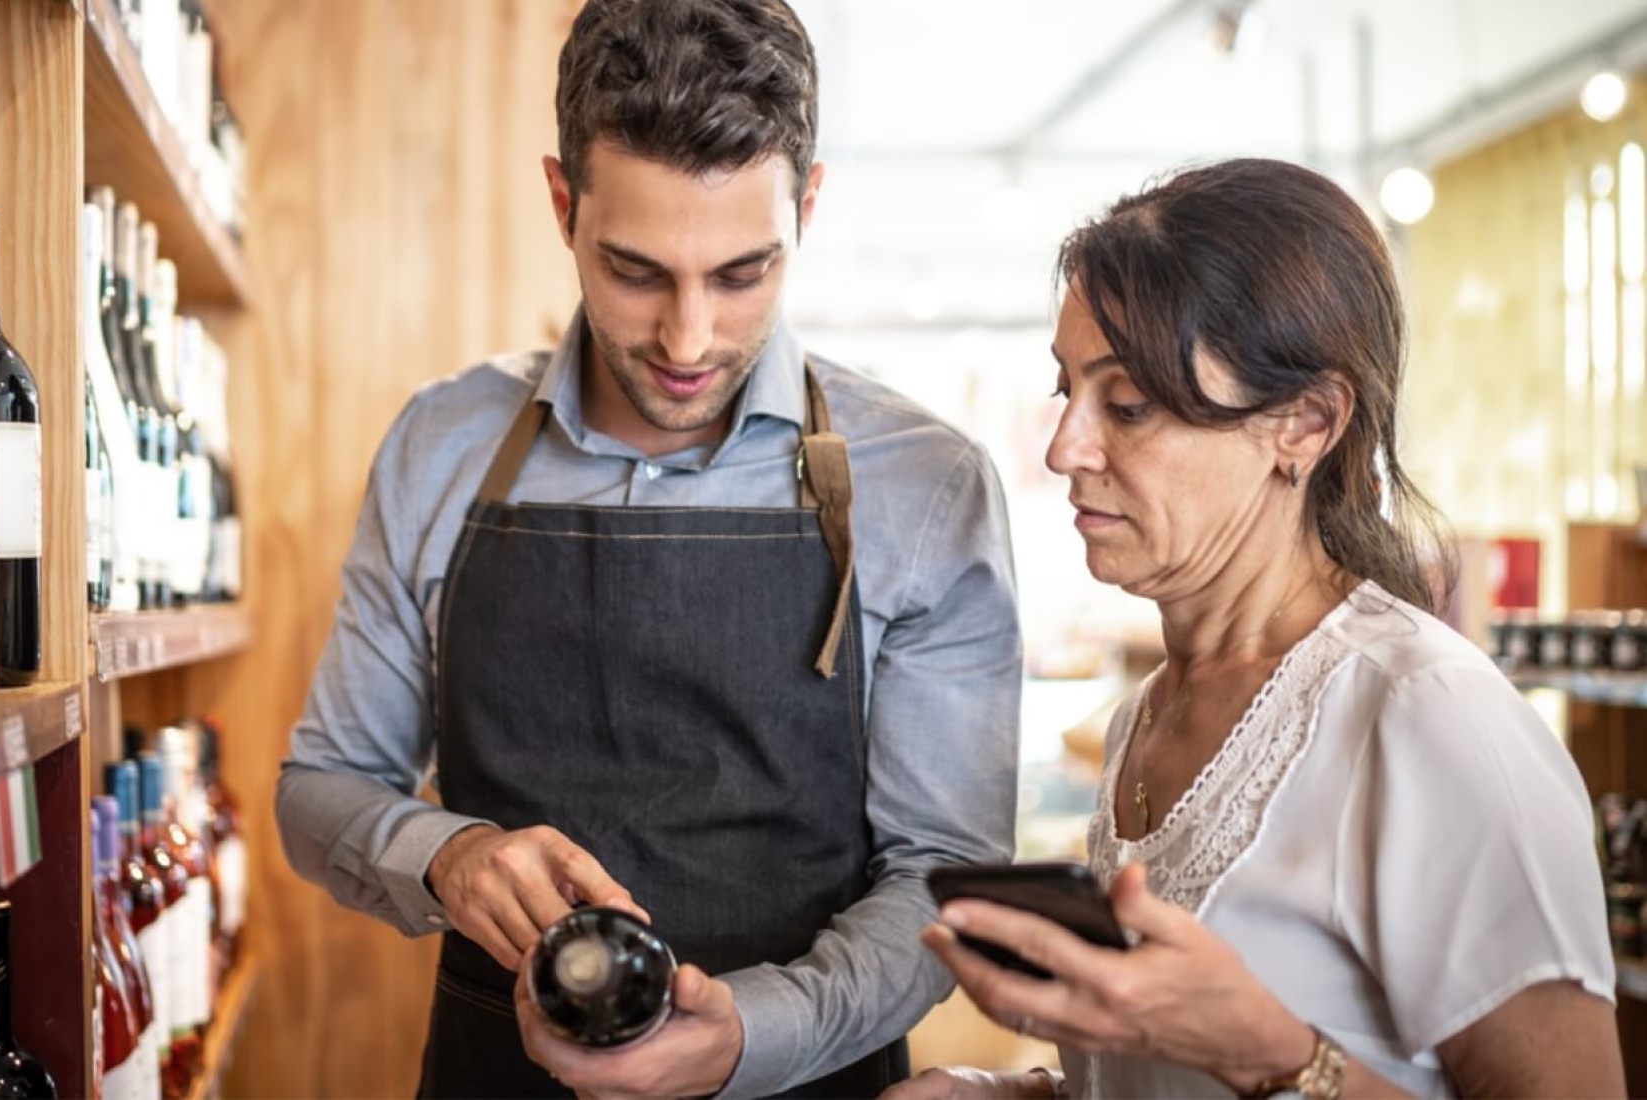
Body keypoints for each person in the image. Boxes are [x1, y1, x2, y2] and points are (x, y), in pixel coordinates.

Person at [275, 1, 1023, 1096]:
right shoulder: (442, 443)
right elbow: (321, 787)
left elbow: (939, 879)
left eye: (740, 273)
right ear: (561, 202)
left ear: (805, 207)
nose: (687, 339)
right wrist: (447, 855)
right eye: (635, 270)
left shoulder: (925, 483)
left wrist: (747, 1036)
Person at [890, 158, 1623, 1099]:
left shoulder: (1427, 717)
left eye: (1128, 404)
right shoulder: (1142, 721)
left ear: (1307, 423)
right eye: (1067, 391)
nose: (1064, 447)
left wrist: (1269, 1052)